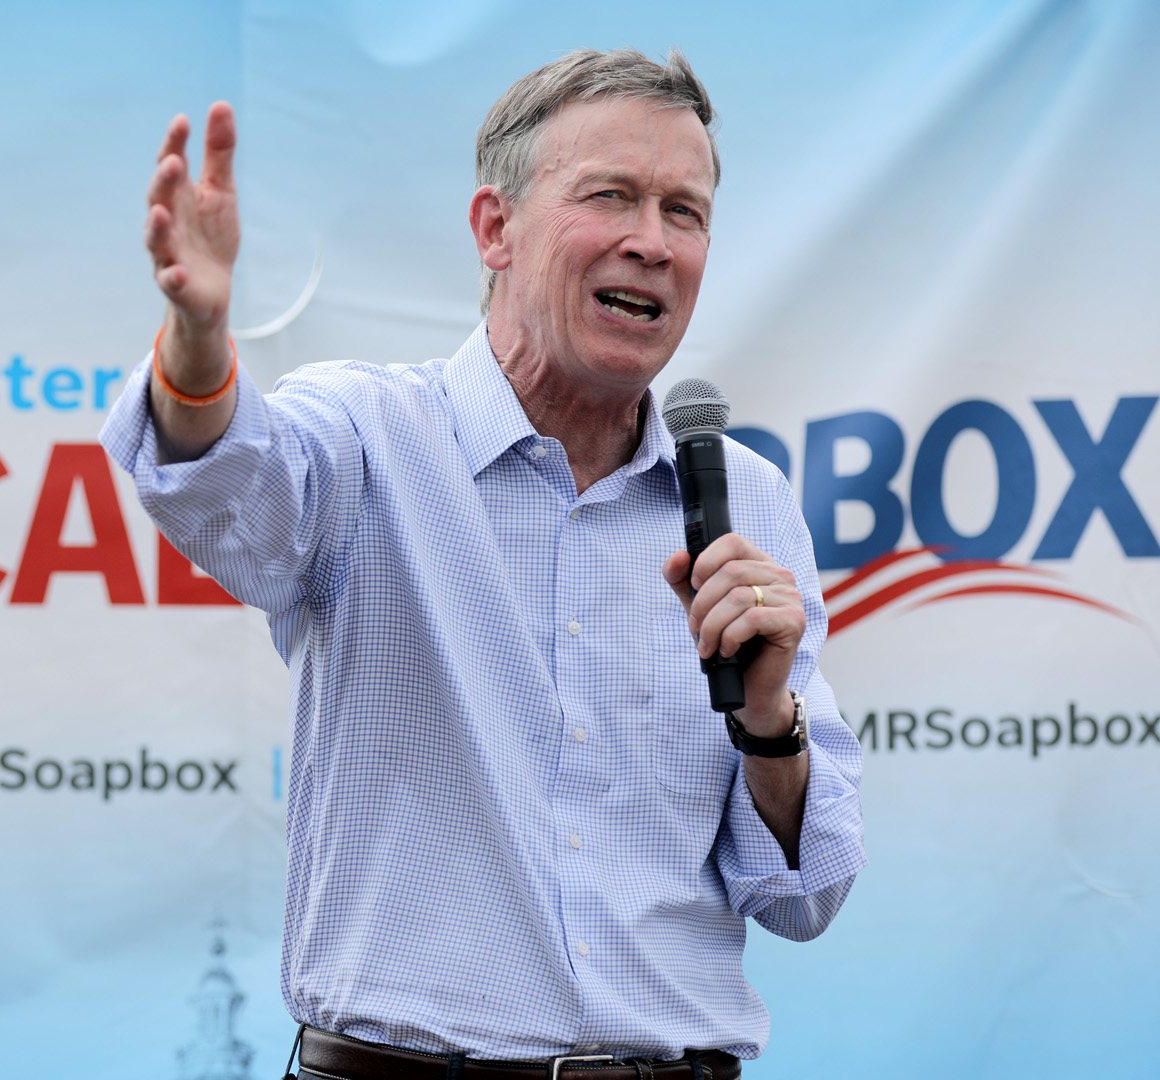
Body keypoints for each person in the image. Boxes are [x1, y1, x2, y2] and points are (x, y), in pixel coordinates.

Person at [101, 49, 865, 1079]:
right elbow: (220, 484)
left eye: (684, 213)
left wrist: (771, 720)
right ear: (495, 229)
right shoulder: (367, 437)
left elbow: (802, 897)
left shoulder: (747, 502)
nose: (652, 242)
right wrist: (197, 341)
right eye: (612, 197)